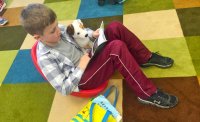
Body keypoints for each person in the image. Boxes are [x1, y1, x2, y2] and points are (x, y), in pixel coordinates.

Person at [20, 4, 178, 109]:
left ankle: (145, 57)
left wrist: (91, 33)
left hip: (89, 57)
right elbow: (64, 88)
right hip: (82, 78)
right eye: (53, 31)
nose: (59, 31)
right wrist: (81, 66)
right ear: (37, 37)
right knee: (116, 48)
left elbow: (76, 33)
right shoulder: (45, 58)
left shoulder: (57, 29)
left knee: (115, 26)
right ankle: (147, 93)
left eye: (57, 26)